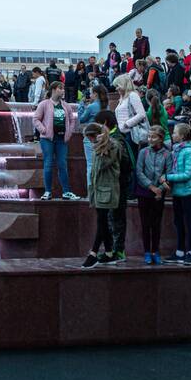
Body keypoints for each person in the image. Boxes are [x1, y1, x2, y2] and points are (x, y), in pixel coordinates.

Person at [81, 121, 120, 268]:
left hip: (107, 190)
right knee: (102, 221)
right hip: (98, 189)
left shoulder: (111, 146)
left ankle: (94, 253)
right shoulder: (98, 146)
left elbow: (104, 164)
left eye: (91, 137)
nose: (90, 141)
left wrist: (102, 144)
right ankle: (109, 253)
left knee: (102, 222)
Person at [32, 81, 79, 200]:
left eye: (63, 88)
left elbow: (72, 119)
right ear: (53, 89)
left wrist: (69, 132)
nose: (63, 91)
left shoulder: (66, 105)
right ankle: (47, 192)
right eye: (60, 88)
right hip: (47, 139)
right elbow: (36, 119)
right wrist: (43, 130)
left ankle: (66, 192)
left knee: (62, 164)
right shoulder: (44, 104)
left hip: (62, 139)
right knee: (48, 164)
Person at [162, 122, 191, 265]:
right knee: (178, 222)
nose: (172, 135)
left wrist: (168, 177)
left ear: (182, 136)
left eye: (175, 133)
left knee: (189, 223)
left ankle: (190, 253)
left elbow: (187, 174)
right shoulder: (175, 150)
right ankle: (180, 252)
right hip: (177, 192)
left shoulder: (189, 151)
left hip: (188, 192)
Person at [96, 109, 130, 262]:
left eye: (98, 125)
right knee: (111, 217)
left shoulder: (117, 140)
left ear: (104, 123)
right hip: (112, 185)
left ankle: (118, 251)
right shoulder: (113, 137)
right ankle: (111, 251)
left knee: (116, 217)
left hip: (118, 185)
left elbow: (124, 162)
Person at [135, 126, 170, 264]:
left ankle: (155, 251)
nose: (150, 139)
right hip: (144, 192)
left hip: (159, 194)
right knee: (145, 223)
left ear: (161, 138)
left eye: (153, 137)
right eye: (149, 136)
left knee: (156, 223)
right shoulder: (143, 152)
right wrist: (151, 186)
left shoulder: (167, 154)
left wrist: (160, 189)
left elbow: (169, 172)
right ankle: (147, 252)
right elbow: (139, 172)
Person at [78, 84, 107, 195]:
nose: (90, 95)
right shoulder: (106, 105)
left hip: (90, 137)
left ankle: (91, 191)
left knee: (90, 164)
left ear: (95, 94)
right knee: (101, 164)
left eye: (91, 93)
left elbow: (81, 119)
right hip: (103, 137)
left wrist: (81, 104)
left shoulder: (91, 107)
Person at [113, 73, 148, 158]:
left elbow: (141, 114)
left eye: (118, 86)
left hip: (131, 133)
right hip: (123, 133)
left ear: (123, 84)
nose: (116, 88)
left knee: (132, 159)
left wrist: (127, 124)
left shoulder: (132, 95)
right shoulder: (122, 97)